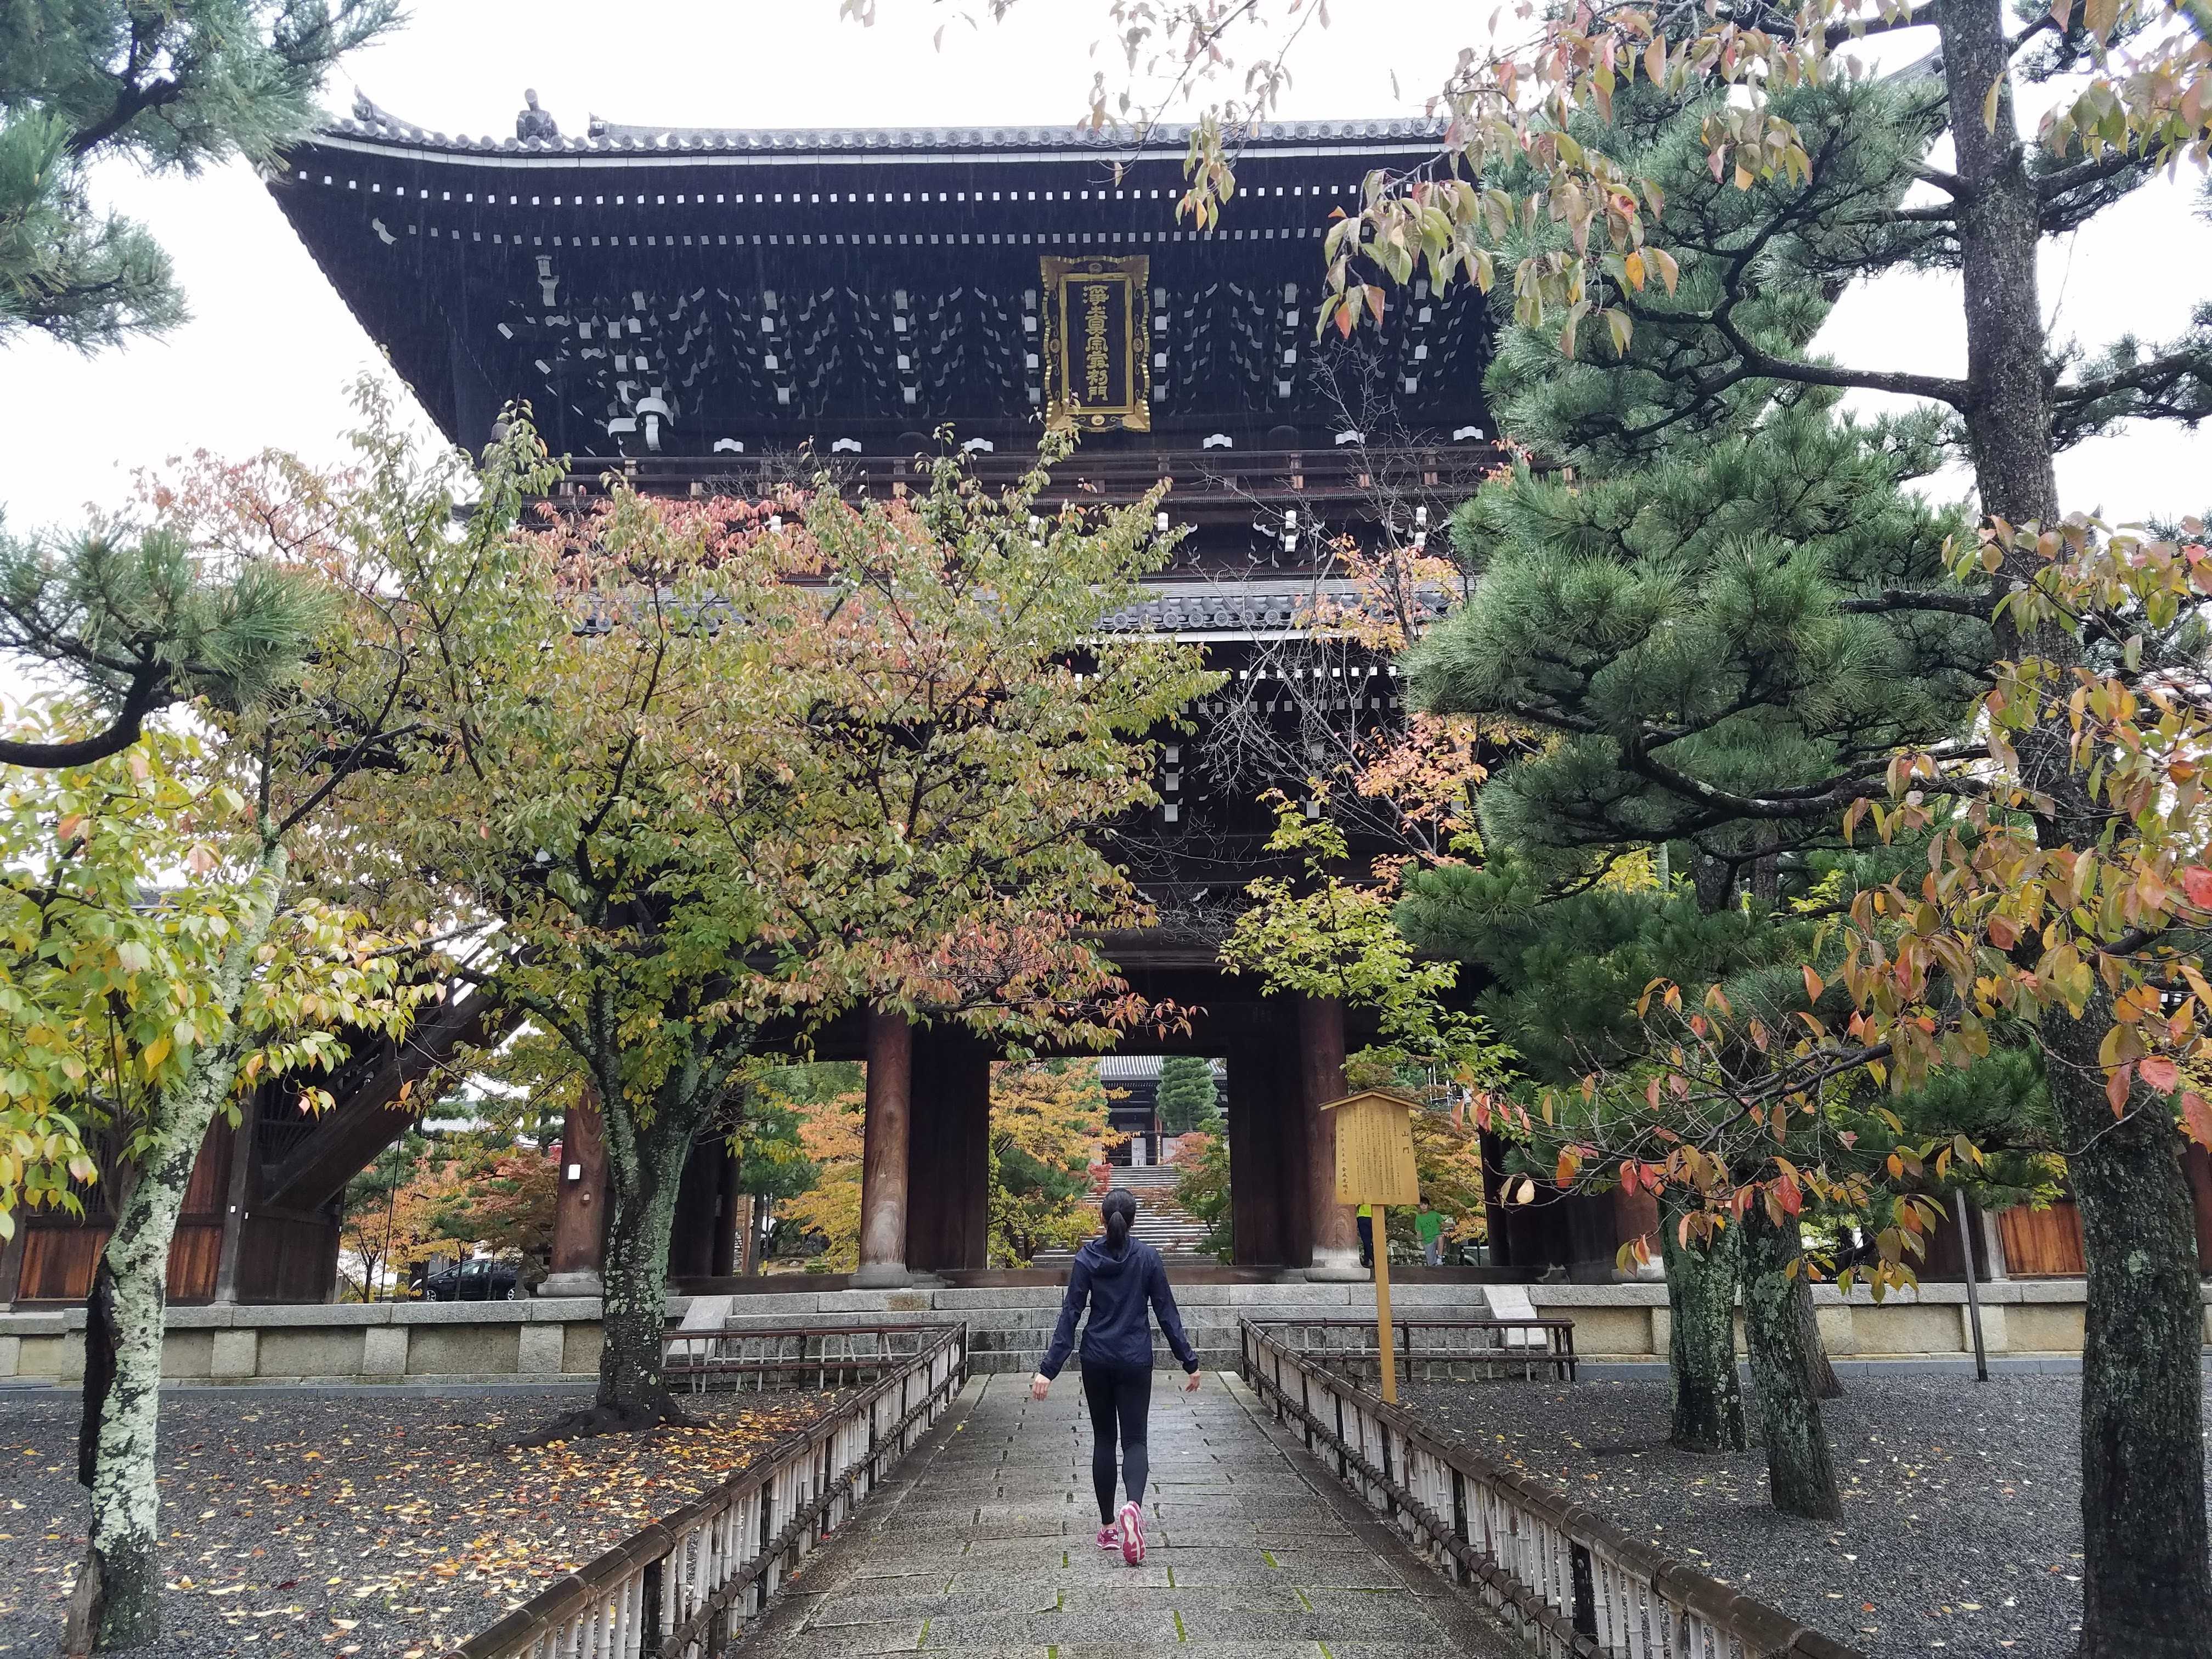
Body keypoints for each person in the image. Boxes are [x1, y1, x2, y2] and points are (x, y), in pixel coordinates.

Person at [1030, 1188, 1201, 1566]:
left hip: (1097, 1359)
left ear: (1103, 1220)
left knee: (1105, 1439)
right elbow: (1166, 1313)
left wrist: (1048, 1370)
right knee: (1136, 1440)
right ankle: (1134, 1509)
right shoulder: (1148, 1258)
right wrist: (1189, 1361)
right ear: (1134, 1220)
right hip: (1136, 1358)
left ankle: (1108, 1527)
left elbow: (1071, 1314)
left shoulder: (1087, 1258)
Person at [1417, 1200, 1448, 1267]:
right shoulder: (1419, 1217)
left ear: (1428, 1206)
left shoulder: (1434, 1214)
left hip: (1436, 1237)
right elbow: (1419, 1231)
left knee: (1441, 1237)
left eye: (1425, 1204)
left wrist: (1454, 1226)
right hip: (1427, 1240)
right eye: (1422, 1205)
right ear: (1420, 1207)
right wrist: (1419, 1240)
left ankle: (1440, 1259)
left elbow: (1443, 1224)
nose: (1424, 1206)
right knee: (1431, 1264)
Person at [1356, 1201, 1374, 1268]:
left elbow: (1356, 1203)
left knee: (1366, 1241)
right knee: (1370, 1241)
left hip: (1363, 1216)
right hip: (1374, 1216)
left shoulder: (1361, 1193)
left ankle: (1374, 1259)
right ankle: (1367, 1260)